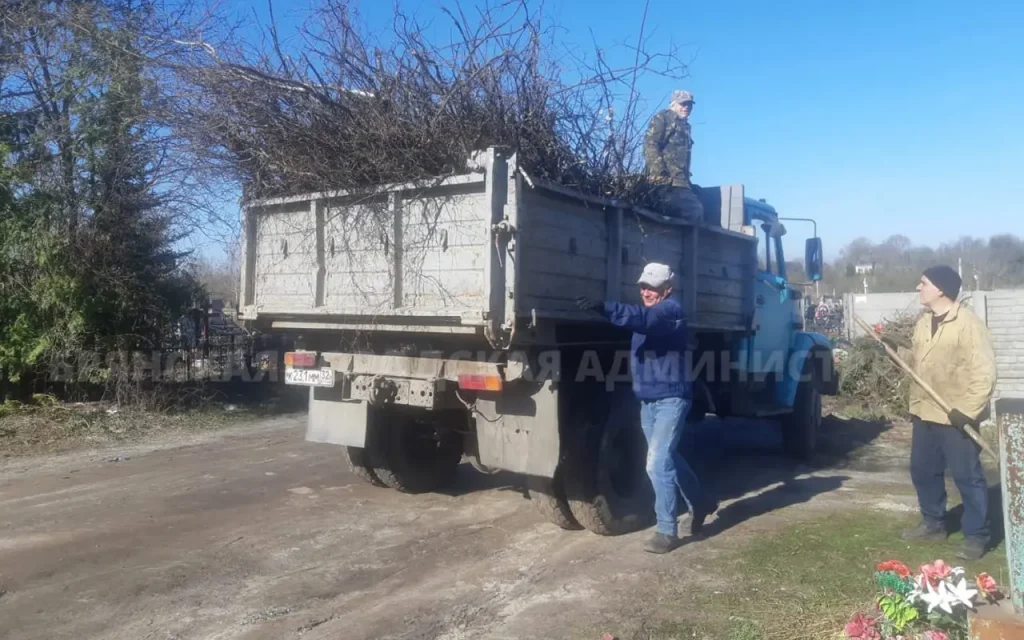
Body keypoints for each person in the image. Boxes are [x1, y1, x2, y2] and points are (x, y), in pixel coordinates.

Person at [576, 262, 718, 554]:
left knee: (656, 463)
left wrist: (605, 308)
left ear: (667, 289)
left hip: (671, 400)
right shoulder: (652, 313)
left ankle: (667, 531)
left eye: (652, 288)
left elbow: (642, 319)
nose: (646, 292)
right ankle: (701, 502)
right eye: (643, 286)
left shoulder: (670, 312)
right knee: (668, 458)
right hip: (649, 401)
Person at [900, 265, 997, 560]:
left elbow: (985, 373)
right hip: (925, 410)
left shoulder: (968, 324)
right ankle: (933, 524)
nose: (918, 288)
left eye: (924, 283)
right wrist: (895, 350)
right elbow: (920, 362)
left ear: (941, 289)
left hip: (956, 416)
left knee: (967, 477)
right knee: (923, 470)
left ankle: (977, 535)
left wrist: (967, 411)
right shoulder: (923, 322)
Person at [644, 90, 704, 221]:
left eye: (689, 105)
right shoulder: (663, 118)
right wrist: (660, 174)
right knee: (693, 210)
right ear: (673, 104)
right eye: (683, 104)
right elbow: (650, 144)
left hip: (680, 180)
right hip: (667, 180)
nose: (686, 107)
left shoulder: (685, 126)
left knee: (700, 204)